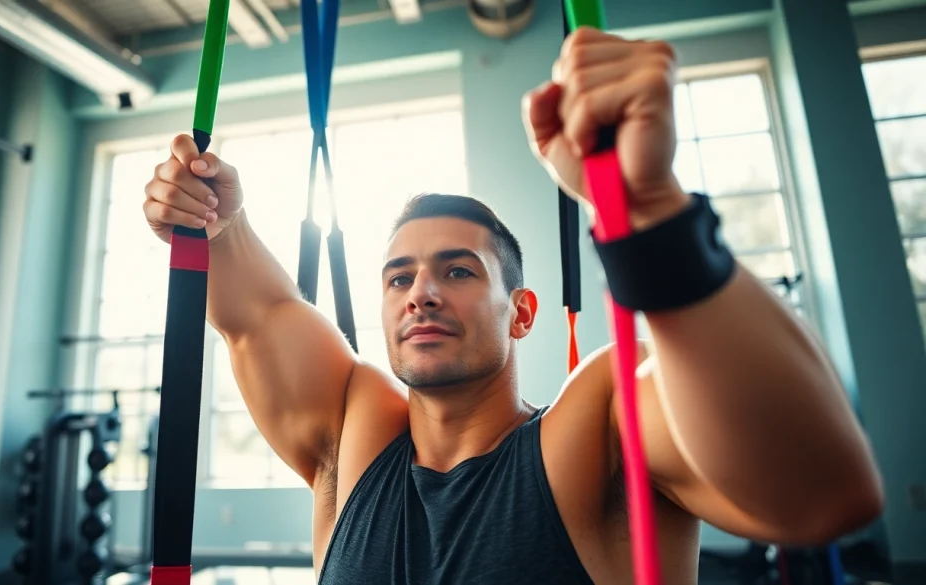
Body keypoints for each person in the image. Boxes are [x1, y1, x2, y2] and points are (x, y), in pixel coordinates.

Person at [142, 27, 883, 584]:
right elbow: (258, 313)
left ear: (521, 311)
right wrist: (211, 213)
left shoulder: (591, 428)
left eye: (457, 270)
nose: (421, 291)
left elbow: (824, 497)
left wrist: (652, 211)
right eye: (398, 278)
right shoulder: (355, 427)